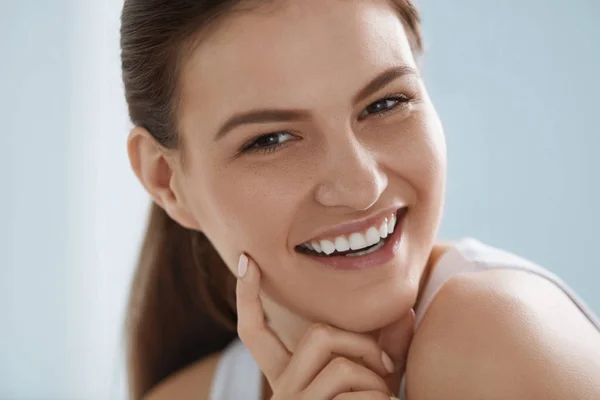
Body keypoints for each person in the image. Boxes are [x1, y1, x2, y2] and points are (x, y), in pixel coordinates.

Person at [121, 0, 600, 399]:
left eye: (385, 103)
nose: (361, 186)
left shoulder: (495, 341)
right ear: (166, 180)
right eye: (271, 140)